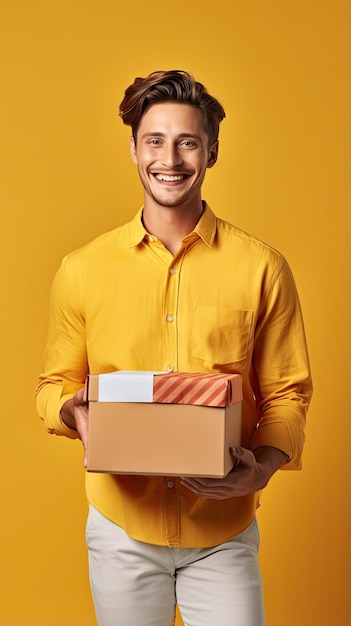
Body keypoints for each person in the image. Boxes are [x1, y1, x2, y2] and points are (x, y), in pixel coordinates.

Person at [36, 70, 313, 626]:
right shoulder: (82, 269)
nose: (171, 158)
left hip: (223, 533)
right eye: (155, 140)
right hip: (121, 531)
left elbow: (288, 392)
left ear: (211, 151)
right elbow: (53, 387)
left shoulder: (263, 268)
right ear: (134, 149)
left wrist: (259, 469)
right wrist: (73, 413)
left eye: (188, 141)